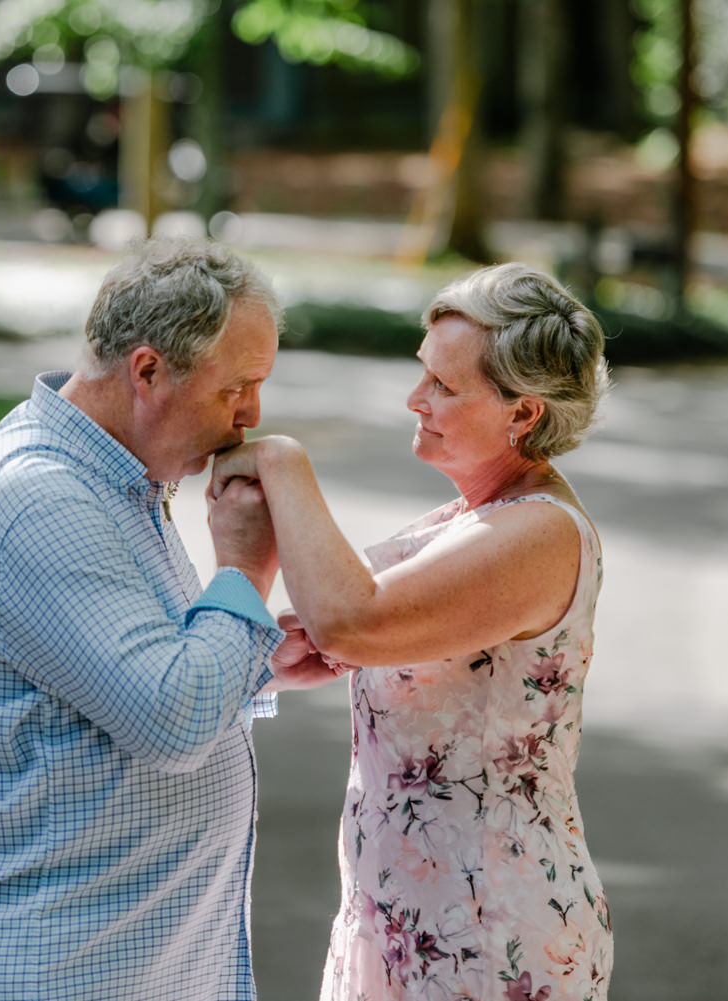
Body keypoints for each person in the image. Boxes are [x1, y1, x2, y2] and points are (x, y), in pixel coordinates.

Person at [0, 237, 336, 1001]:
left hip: (105, 956)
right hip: (53, 966)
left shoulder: (111, 479)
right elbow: (172, 717)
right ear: (147, 371)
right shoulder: (42, 500)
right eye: (238, 386)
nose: (253, 414)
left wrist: (254, 660)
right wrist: (244, 570)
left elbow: (111, 675)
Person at [211, 263, 614, 1001]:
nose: (414, 399)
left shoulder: (541, 533)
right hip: (411, 912)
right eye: (422, 373)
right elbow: (362, 626)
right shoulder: (473, 519)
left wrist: (280, 459)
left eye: (444, 386)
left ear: (521, 414)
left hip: (486, 930)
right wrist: (311, 650)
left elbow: (354, 615)